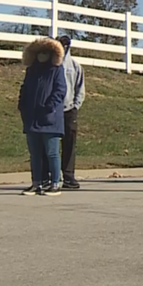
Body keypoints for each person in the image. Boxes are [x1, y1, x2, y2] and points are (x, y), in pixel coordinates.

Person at [19, 37, 67, 196]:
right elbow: (24, 89)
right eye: (39, 53)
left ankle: (55, 182)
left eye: (45, 53)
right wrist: (23, 106)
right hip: (32, 117)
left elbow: (60, 91)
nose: (42, 56)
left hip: (50, 118)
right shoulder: (31, 70)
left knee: (52, 152)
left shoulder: (56, 70)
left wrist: (50, 106)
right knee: (35, 153)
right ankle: (36, 182)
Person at [57, 36, 85, 189]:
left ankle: (68, 175)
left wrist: (75, 106)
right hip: (53, 110)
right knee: (52, 144)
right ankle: (51, 174)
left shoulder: (74, 66)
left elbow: (80, 88)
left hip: (69, 110)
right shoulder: (51, 64)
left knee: (69, 143)